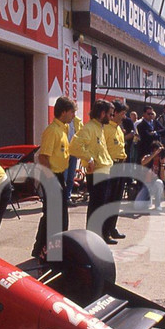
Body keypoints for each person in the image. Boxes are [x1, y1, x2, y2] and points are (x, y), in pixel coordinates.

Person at [31, 96, 75, 259]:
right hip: (52, 176)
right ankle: (43, 249)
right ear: (63, 112)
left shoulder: (63, 129)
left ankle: (46, 248)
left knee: (58, 215)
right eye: (71, 112)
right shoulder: (52, 131)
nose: (73, 115)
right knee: (52, 216)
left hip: (59, 176)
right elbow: (43, 157)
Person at [69, 99, 117, 243]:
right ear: (102, 113)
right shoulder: (89, 128)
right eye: (110, 114)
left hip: (104, 170)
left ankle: (100, 236)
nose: (112, 117)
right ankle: (93, 238)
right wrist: (89, 159)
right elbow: (74, 147)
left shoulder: (99, 128)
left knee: (102, 206)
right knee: (96, 207)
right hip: (97, 173)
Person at [104, 100, 129, 240]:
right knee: (109, 200)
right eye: (123, 114)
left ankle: (112, 227)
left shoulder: (119, 128)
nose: (124, 117)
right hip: (111, 166)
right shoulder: (106, 129)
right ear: (116, 113)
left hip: (121, 165)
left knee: (116, 200)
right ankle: (105, 231)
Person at [136, 139, 165, 211]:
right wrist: (154, 154)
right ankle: (148, 201)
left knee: (159, 182)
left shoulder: (162, 160)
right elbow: (143, 162)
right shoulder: (148, 157)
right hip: (146, 185)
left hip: (155, 185)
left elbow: (162, 178)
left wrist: (162, 165)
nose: (157, 155)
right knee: (138, 206)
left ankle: (157, 204)